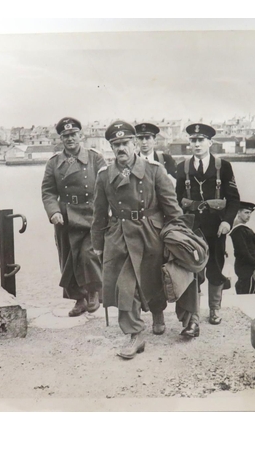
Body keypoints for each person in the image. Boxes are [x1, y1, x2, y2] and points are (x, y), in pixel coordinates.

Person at [91, 120, 183, 359]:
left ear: (134, 143)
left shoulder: (154, 170)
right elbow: (99, 213)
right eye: (115, 144)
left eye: (124, 143)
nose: (121, 148)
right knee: (125, 285)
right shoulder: (104, 176)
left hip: (149, 232)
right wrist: (98, 245)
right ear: (111, 147)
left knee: (152, 280)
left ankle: (158, 312)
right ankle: (135, 335)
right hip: (119, 235)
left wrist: (176, 238)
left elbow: (172, 209)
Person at [175, 123, 240, 328]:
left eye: (200, 140)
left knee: (215, 267)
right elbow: (176, 199)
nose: (196, 144)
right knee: (193, 270)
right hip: (192, 229)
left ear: (210, 142)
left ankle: (214, 309)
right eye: (193, 140)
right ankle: (193, 314)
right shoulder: (182, 168)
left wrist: (227, 222)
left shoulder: (224, 166)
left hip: (216, 228)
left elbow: (234, 199)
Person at [41, 117, 106, 317]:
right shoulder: (54, 163)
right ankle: (79, 299)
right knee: (68, 258)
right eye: (65, 136)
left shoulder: (95, 158)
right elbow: (48, 192)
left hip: (91, 214)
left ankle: (94, 291)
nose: (70, 139)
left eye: (73, 134)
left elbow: (106, 186)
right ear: (61, 138)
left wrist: (106, 211)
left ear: (81, 135)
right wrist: (54, 212)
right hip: (66, 217)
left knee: (89, 254)